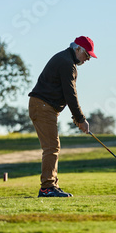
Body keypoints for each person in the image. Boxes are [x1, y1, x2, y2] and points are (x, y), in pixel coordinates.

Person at [28, 36, 97, 198]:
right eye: (86, 55)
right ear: (78, 49)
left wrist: (76, 118)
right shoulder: (67, 63)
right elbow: (70, 94)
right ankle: (47, 188)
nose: (87, 59)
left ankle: (52, 185)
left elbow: (66, 95)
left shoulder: (66, 60)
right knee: (52, 147)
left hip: (44, 106)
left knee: (53, 146)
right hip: (43, 106)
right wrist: (80, 119)